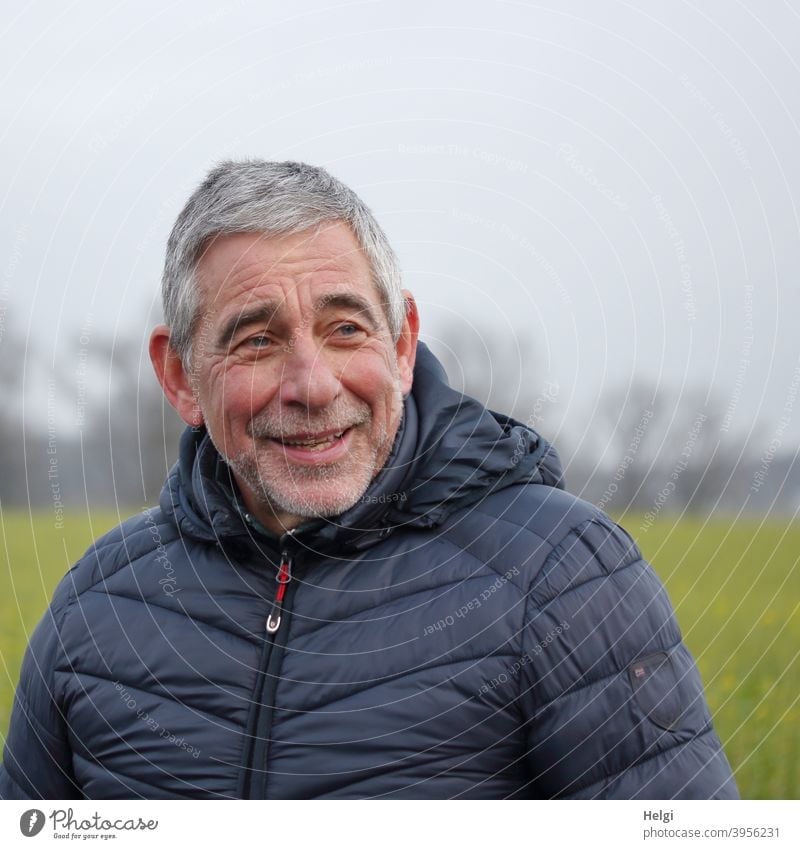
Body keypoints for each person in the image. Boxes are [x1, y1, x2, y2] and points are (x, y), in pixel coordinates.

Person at [0, 160, 738, 799]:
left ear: (404, 342)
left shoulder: (566, 577)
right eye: (257, 340)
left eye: (346, 328)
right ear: (180, 375)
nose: (313, 385)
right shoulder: (93, 613)